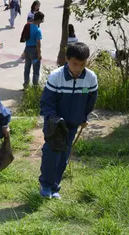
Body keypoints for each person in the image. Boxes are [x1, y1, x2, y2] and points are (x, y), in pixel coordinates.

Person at [39, 42, 98, 199]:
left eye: (82, 64)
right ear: (67, 59)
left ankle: (55, 187)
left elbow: (91, 101)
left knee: (64, 157)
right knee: (51, 155)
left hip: (72, 124)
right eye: (74, 64)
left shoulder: (91, 78)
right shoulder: (56, 77)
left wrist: (84, 117)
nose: (78, 68)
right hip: (55, 125)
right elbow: (46, 103)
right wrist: (54, 119)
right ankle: (45, 186)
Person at [23, 11, 44, 89]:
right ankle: (35, 87)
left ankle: (26, 85)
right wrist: (39, 54)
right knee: (36, 70)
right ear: (39, 20)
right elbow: (38, 43)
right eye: (42, 20)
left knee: (26, 68)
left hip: (27, 49)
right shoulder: (38, 30)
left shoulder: (28, 26)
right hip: (34, 50)